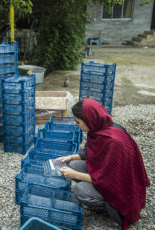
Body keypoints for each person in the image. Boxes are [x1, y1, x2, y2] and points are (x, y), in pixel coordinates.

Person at [57, 98, 150, 230]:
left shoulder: (113, 143)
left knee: (79, 190)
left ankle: (111, 209)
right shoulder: (98, 129)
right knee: (72, 164)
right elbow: (87, 152)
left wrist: (73, 174)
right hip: (105, 174)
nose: (76, 124)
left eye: (78, 122)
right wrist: (71, 157)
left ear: (89, 119)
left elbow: (108, 180)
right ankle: (96, 194)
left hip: (120, 192)